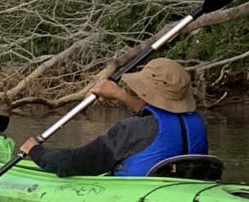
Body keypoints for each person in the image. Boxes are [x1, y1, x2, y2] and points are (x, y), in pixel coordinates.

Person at [17, 57, 209, 177]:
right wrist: (121, 95)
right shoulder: (195, 121)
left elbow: (76, 163)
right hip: (190, 189)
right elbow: (158, 118)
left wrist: (36, 152)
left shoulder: (131, 129)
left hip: (140, 196)